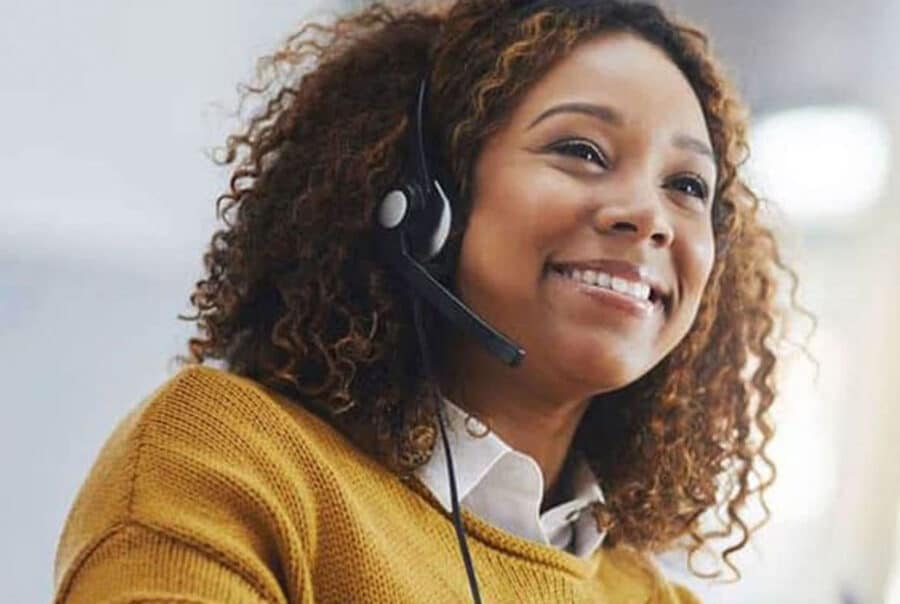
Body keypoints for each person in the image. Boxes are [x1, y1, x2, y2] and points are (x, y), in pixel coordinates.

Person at [54, 0, 802, 602]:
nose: (647, 215)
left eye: (687, 186)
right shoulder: (230, 457)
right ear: (419, 199)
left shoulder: (650, 598)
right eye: (580, 151)